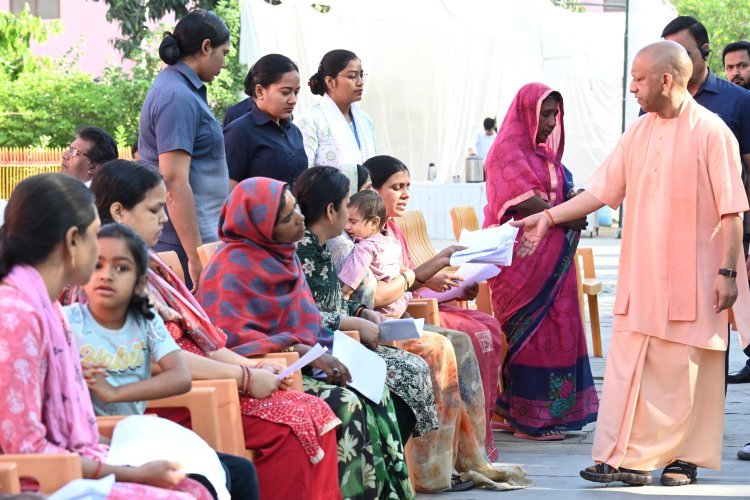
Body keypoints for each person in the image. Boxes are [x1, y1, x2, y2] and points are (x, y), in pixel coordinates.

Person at [512, 41, 750, 487]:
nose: (632, 88)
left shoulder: (712, 132)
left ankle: (684, 459)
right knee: (630, 368)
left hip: (697, 277)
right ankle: (623, 457)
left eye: (639, 79)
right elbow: (601, 191)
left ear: (666, 80)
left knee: (686, 372)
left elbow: (733, 212)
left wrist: (728, 273)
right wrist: (549, 217)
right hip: (642, 276)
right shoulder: (638, 131)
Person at [84, 160, 342, 500]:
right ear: (119, 211)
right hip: (169, 396)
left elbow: (203, 340)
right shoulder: (107, 276)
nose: (165, 218)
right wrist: (244, 376)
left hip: (204, 377)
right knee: (292, 423)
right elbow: (156, 357)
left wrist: (251, 367)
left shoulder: (148, 263)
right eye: (155, 209)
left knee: (315, 410)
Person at [197, 177, 414, 499]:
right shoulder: (233, 266)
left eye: (296, 209)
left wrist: (319, 348)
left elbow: (306, 320)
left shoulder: (283, 256)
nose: (300, 218)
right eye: (287, 216)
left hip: (300, 361)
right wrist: (301, 350)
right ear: (261, 226)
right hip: (264, 372)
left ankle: (385, 493)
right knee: (345, 403)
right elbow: (230, 339)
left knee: (376, 386)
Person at [0, 173, 211, 499]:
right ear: (73, 241)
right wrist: (130, 472)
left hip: (70, 464)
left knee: (196, 482)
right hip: (38, 485)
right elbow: (26, 452)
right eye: (95, 236)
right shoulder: (16, 317)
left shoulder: (44, 306)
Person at [350, 156, 530, 492]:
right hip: (374, 327)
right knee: (441, 346)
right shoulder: (356, 242)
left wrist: (438, 279)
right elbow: (376, 294)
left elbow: (405, 284)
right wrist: (425, 272)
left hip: (398, 316)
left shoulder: (389, 233)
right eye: (395, 187)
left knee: (461, 341)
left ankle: (466, 457)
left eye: (407, 187)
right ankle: (431, 470)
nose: (405, 194)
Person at [65, 223, 259, 500]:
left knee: (240, 471)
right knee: (197, 481)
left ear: (140, 283)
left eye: (121, 268)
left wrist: (115, 392)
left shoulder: (145, 321)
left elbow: (179, 377)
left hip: (136, 432)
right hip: (98, 435)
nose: (107, 275)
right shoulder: (67, 322)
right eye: (97, 265)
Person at [482, 83, 598, 441]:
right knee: (530, 335)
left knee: (558, 330)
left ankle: (512, 409)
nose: (550, 122)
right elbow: (526, 203)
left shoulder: (545, 155)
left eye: (554, 115)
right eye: (544, 114)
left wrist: (574, 196)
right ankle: (529, 420)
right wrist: (568, 214)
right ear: (525, 114)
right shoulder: (505, 154)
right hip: (523, 260)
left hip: (554, 261)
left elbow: (561, 188)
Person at [293, 166, 438, 445]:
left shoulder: (320, 246)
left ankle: (390, 454)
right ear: (331, 211)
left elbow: (333, 301)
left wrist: (361, 312)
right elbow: (301, 315)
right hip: (319, 349)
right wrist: (353, 322)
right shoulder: (303, 250)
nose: (350, 214)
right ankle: (386, 452)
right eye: (347, 204)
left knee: (414, 367)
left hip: (337, 340)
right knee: (408, 372)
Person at [138, 9, 231, 290]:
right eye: (224, 53)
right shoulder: (176, 95)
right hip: (184, 241)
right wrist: (194, 256)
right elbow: (174, 180)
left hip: (200, 235)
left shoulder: (183, 89)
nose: (224, 62)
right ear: (206, 47)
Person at [296, 49, 376, 194]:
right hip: (328, 203)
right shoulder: (309, 120)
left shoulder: (366, 120)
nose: (360, 82)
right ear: (330, 82)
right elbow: (305, 176)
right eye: (352, 76)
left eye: (361, 75)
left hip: (366, 203)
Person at [223, 54, 306, 189]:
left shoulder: (295, 132)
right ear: (260, 91)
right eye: (285, 92)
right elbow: (229, 191)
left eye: (296, 92)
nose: (293, 100)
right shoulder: (239, 131)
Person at [339, 190, 410, 318]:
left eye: (353, 222)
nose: (347, 227)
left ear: (374, 223)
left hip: (382, 310)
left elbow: (357, 269)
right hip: (399, 302)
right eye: (346, 221)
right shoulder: (389, 241)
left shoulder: (367, 246)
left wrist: (345, 293)